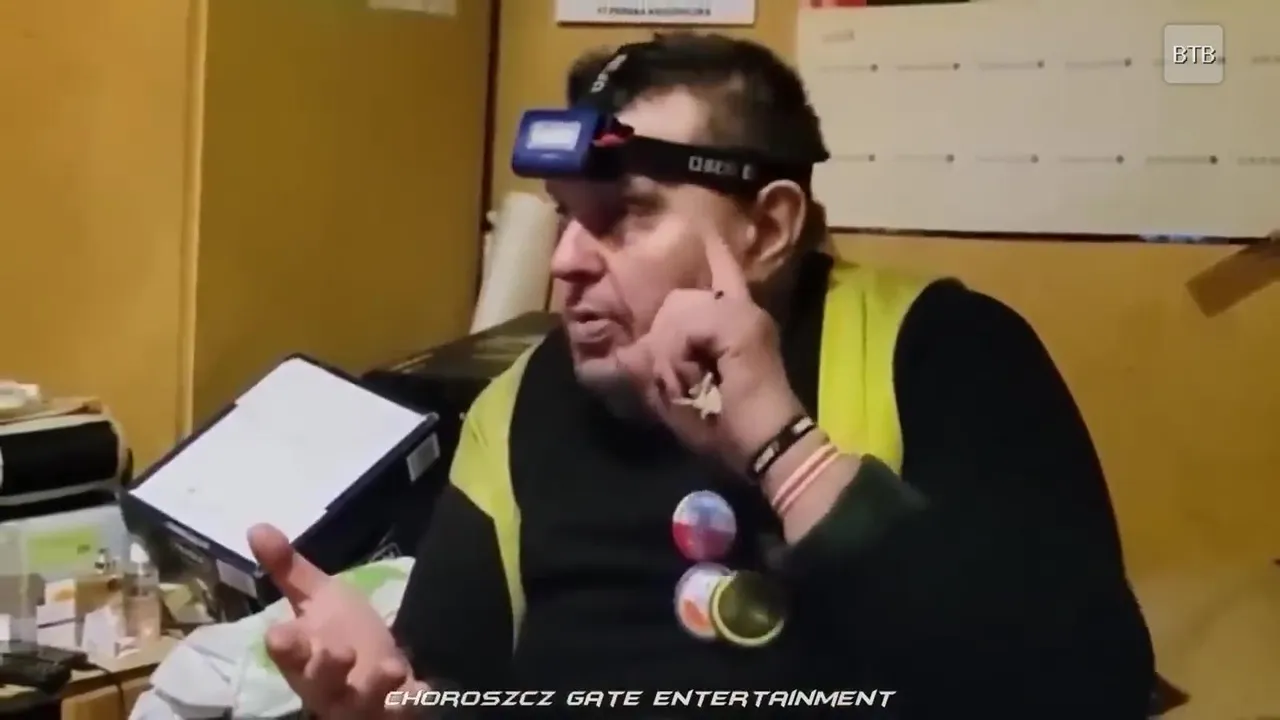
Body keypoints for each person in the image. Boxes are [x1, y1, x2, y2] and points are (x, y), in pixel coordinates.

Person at [246, 33, 1153, 718]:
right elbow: (459, 687)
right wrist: (397, 703)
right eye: (565, 215)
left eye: (624, 215)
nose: (566, 260)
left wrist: (787, 454)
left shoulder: (939, 348)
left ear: (767, 229)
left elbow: (1086, 687)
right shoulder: (514, 406)